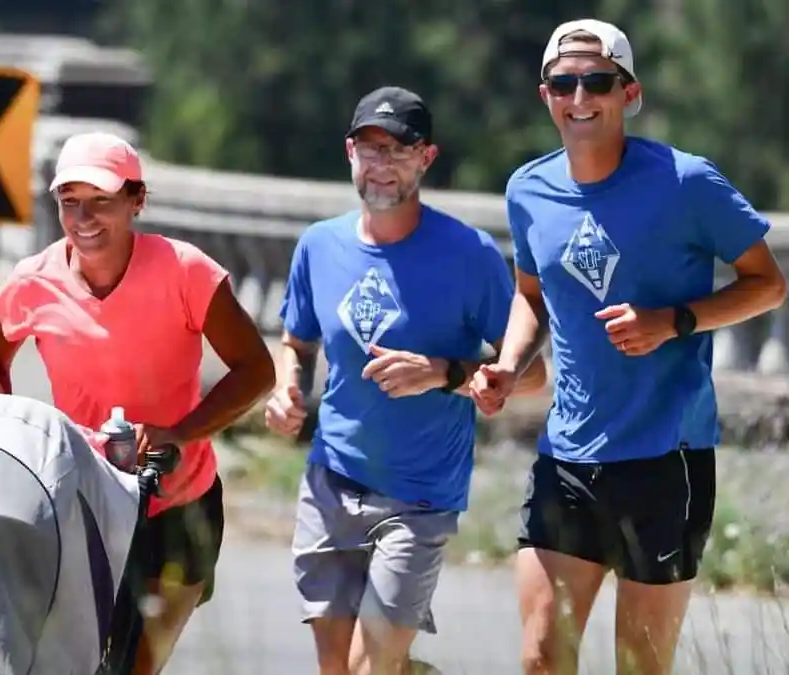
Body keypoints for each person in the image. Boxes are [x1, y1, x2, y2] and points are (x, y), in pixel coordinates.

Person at [469, 19, 788, 675]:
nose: (579, 96)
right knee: (540, 658)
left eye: (597, 81)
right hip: (567, 457)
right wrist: (507, 363)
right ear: (546, 95)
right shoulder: (528, 190)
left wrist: (674, 320)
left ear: (628, 92)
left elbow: (768, 286)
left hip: (665, 459)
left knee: (640, 666)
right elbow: (531, 295)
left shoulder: (687, 182)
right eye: (564, 82)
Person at [0, 131, 276, 674]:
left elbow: (257, 371)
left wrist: (180, 432)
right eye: (69, 203)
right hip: (82, 505)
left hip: (179, 506)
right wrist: (9, 441)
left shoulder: (186, 271)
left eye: (102, 202)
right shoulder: (34, 281)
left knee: (133, 668)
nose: (84, 218)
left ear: (137, 200)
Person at [264, 86, 548, 675]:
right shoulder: (319, 245)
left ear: (427, 158)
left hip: (419, 498)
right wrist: (285, 386)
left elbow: (532, 375)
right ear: (349, 153)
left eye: (399, 150)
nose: (382, 165)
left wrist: (443, 373)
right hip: (331, 483)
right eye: (371, 148)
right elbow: (297, 340)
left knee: (372, 669)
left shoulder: (468, 254)